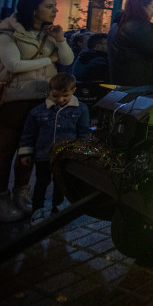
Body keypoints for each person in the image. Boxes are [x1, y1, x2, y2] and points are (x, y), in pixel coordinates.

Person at [0, 0, 74, 222]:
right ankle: (2, 197)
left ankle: (22, 191)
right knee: (6, 148)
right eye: (50, 6)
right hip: (16, 99)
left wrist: (61, 40)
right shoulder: (7, 33)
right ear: (34, 9)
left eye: (54, 6)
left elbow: (68, 60)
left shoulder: (49, 33)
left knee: (30, 148)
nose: (55, 10)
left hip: (43, 98)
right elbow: (13, 64)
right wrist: (49, 60)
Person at [18, 73, 90, 224]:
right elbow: (28, 134)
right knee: (41, 182)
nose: (60, 100)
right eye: (55, 95)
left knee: (61, 182)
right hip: (43, 155)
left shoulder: (81, 109)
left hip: (65, 156)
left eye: (65, 95)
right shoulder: (38, 111)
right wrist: (26, 153)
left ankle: (58, 204)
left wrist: (81, 153)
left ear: (73, 91)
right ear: (49, 91)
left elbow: (83, 132)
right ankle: (38, 209)